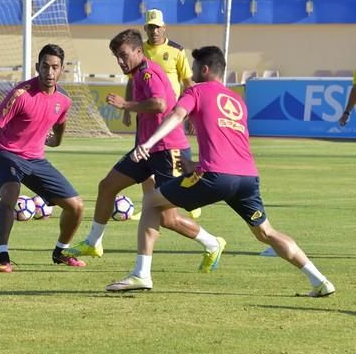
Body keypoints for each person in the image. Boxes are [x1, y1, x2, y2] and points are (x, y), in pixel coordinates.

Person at [106, 46, 335, 297]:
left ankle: (141, 274)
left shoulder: (196, 90)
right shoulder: (238, 101)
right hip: (247, 178)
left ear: (204, 69)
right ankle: (320, 281)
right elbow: (230, 143)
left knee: (151, 200)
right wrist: (195, 166)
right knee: (266, 232)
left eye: (194, 69)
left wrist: (148, 144)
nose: (191, 75)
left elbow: (175, 115)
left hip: (215, 176)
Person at [65, 29, 224, 272]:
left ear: (139, 52)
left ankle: (212, 243)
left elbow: (160, 103)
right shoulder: (138, 73)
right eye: (116, 56)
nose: (120, 60)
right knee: (107, 186)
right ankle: (93, 242)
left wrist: (126, 105)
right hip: (146, 151)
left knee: (166, 218)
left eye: (123, 55)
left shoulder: (148, 73)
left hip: (167, 151)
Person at [0, 44, 86, 273]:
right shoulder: (21, 94)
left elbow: (60, 122)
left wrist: (56, 141)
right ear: (37, 66)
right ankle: (2, 255)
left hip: (36, 160)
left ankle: (60, 252)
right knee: (10, 193)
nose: (49, 72)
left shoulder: (63, 100)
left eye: (55, 67)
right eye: (45, 66)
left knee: (76, 206)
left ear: (61, 70)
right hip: (6, 154)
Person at [122, 8, 201, 219]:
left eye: (157, 27)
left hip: (172, 113)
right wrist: (128, 108)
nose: (154, 31)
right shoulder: (139, 51)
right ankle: (149, 202)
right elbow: (131, 81)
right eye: (150, 27)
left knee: (175, 158)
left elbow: (187, 82)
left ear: (164, 27)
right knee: (144, 158)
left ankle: (192, 197)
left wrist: (192, 112)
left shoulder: (176, 50)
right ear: (145, 28)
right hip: (147, 113)